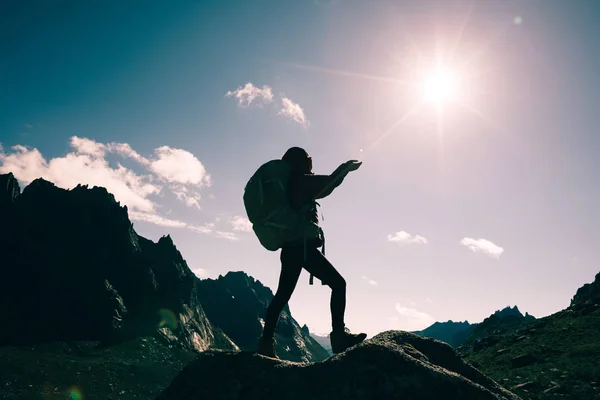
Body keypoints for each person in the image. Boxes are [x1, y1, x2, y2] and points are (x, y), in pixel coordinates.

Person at [257, 147, 367, 358]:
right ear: (300, 162)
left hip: (292, 249)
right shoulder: (301, 181)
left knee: (282, 296)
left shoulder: (290, 183)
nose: (310, 164)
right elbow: (327, 185)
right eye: (308, 160)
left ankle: (265, 342)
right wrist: (345, 168)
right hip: (302, 249)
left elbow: (323, 187)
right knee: (338, 284)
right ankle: (338, 336)